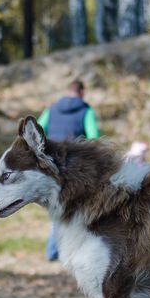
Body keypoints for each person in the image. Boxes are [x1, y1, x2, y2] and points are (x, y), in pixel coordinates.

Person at [38, 80, 99, 261]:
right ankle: (63, 250)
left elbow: (38, 130)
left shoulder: (51, 109)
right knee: (75, 207)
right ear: (81, 92)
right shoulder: (86, 111)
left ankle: (52, 250)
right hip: (75, 168)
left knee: (57, 204)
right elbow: (94, 137)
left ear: (67, 91)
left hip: (50, 167)